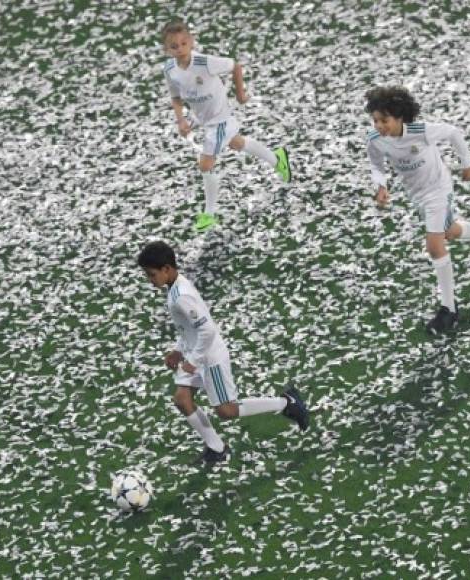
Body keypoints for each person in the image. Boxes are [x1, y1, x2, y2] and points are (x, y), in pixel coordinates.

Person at [138, 240, 309, 464]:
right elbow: (189, 328)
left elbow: (207, 330)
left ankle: (287, 403)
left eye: (151, 275)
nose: (150, 280)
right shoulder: (174, 288)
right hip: (195, 353)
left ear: (166, 269)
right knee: (182, 399)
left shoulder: (181, 295)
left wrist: (193, 360)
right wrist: (178, 351)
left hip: (209, 357)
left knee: (227, 411)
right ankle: (216, 448)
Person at [364, 86, 470, 334]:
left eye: (384, 120)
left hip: (438, 188)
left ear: (400, 117)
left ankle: (449, 308)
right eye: (375, 120)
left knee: (434, 245)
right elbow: (376, 165)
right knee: (450, 231)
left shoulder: (421, 132)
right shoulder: (376, 141)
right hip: (418, 195)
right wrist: (380, 186)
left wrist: (468, 165)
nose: (379, 125)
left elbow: (453, 133)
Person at [161, 20, 292, 233]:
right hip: (202, 117)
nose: (180, 49)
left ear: (191, 42)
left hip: (219, 119)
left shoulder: (205, 62)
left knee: (204, 165)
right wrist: (181, 120)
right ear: (166, 50)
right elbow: (175, 96)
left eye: (184, 43)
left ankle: (209, 214)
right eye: (174, 46)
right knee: (237, 143)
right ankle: (278, 160)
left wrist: (240, 93)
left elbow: (235, 66)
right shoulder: (170, 69)